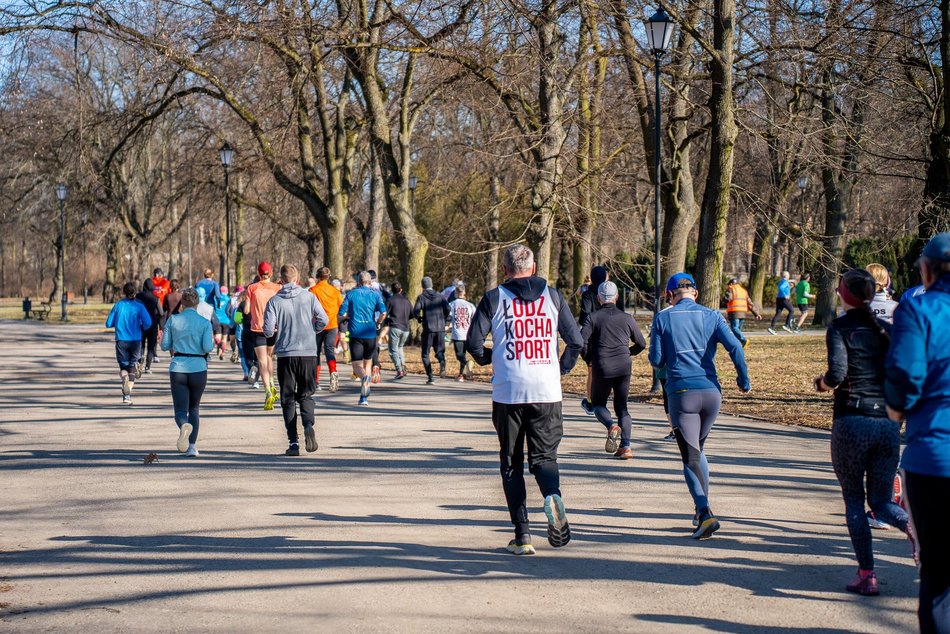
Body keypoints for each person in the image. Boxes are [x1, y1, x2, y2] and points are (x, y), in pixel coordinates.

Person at [466, 244, 583, 556]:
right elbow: (576, 340)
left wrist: (491, 358)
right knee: (544, 459)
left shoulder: (495, 298)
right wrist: (560, 368)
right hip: (546, 389)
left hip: (509, 391)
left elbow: (473, 342)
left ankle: (523, 535)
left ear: (505, 271)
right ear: (533, 269)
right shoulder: (554, 297)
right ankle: (552, 495)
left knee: (511, 463)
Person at [814, 269, 913, 596]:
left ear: (843, 295)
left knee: (855, 501)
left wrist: (823, 384)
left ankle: (867, 574)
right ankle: (915, 531)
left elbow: (838, 373)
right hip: (886, 424)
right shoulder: (888, 330)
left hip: (852, 422)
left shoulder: (840, 328)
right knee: (882, 501)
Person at [648, 273, 750, 539]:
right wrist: (743, 379)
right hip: (712, 393)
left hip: (682, 393)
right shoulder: (713, 315)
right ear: (695, 292)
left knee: (690, 456)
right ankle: (699, 509)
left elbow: (657, 360)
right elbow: (736, 348)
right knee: (698, 450)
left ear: (670, 295)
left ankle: (705, 513)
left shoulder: (663, 317)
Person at [885, 232, 950, 632]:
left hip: (935, 458)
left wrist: (895, 409)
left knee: (938, 574)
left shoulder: (917, 308)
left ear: (927, 269)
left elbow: (906, 376)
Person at [263, 264, 329, 456]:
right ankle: (308, 424)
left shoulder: (274, 301)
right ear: (297, 277)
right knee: (306, 395)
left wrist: (277, 330)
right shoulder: (309, 297)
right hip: (308, 352)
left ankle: (293, 442)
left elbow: (268, 330)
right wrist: (312, 330)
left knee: (288, 398)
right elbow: (323, 319)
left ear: (280, 279)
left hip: (286, 354)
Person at [580, 281, 647, 460]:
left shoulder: (593, 318)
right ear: (617, 297)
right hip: (624, 365)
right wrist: (628, 353)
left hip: (602, 365)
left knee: (598, 404)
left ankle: (610, 425)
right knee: (622, 408)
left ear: (599, 298)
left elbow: (581, 342)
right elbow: (641, 343)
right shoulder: (627, 318)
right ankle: (626, 447)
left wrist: (589, 359)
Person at [160, 287, 213, 457]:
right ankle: (192, 446)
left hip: (178, 368)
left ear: (182, 303)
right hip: (199, 367)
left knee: (181, 411)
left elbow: (164, 346)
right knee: (195, 408)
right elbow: (207, 347)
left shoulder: (173, 320)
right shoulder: (205, 323)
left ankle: (183, 425)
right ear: (197, 303)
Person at [338, 271, 386, 406]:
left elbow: (341, 313)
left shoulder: (351, 294)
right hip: (371, 333)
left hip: (355, 334)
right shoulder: (375, 294)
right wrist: (378, 323)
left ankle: (365, 378)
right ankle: (364, 398)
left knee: (356, 365)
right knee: (368, 363)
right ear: (369, 282)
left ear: (358, 282)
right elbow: (383, 312)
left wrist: (347, 317)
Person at [105, 282, 152, 405]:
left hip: (121, 340)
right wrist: (141, 326)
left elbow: (108, 323)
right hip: (136, 341)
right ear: (135, 293)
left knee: (123, 367)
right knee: (132, 367)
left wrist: (118, 323)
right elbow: (148, 322)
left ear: (123, 293)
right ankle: (127, 394)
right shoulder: (139, 307)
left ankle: (125, 388)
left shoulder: (118, 305)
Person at [246, 263, 282, 410]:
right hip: (273, 328)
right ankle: (273, 383)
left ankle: (267, 391)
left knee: (261, 361)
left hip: (257, 328)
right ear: (271, 273)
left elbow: (247, 310)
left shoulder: (252, 288)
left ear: (258, 273)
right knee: (269, 356)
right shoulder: (277, 288)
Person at [578, 265, 609, 415]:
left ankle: (591, 402)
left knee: (591, 370)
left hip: (592, 336)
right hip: (609, 334)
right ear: (605, 277)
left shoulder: (588, 294)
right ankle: (603, 401)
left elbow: (584, 316)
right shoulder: (611, 293)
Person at [309, 267, 344, 392]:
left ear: (318, 276)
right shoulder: (335, 291)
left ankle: (315, 381)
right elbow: (341, 305)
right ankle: (333, 373)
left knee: (316, 353)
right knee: (330, 352)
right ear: (328, 277)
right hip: (332, 325)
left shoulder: (313, 290)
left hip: (317, 325)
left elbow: (308, 307)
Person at [413, 276, 450, 384]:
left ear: (422, 286)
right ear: (432, 284)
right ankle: (442, 362)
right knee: (439, 351)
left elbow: (415, 311)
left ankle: (430, 377)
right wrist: (444, 319)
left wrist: (419, 318)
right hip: (440, 328)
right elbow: (448, 309)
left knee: (425, 354)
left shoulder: (421, 297)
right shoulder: (440, 296)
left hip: (428, 329)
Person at [379, 281, 413, 379]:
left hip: (395, 327)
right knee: (400, 348)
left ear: (392, 290)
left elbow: (385, 313)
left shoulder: (390, 300)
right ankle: (403, 366)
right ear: (401, 290)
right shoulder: (407, 300)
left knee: (393, 350)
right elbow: (412, 315)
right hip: (406, 329)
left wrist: (384, 323)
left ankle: (399, 370)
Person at [448, 283, 477, 381]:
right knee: (463, 353)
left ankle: (467, 362)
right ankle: (461, 374)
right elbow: (475, 318)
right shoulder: (470, 305)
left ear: (456, 293)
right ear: (464, 293)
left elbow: (448, 316)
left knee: (459, 355)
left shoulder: (452, 304)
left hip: (457, 333)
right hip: (467, 333)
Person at [136, 279, 164, 375]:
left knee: (141, 345)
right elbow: (161, 313)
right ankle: (148, 366)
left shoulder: (138, 297)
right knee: (151, 346)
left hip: (140, 324)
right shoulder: (155, 298)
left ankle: (139, 363)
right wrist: (160, 324)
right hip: (152, 324)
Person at [724, 278, 760, 348]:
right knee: (738, 330)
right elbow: (749, 303)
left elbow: (728, 298)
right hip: (743, 312)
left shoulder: (731, 289)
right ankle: (739, 345)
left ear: (731, 284)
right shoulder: (744, 291)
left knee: (734, 328)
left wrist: (723, 299)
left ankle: (744, 340)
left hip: (734, 312)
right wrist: (756, 314)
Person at [213, 285, 235, 361]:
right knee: (224, 338)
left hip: (217, 320)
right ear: (227, 291)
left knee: (217, 337)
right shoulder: (228, 299)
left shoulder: (216, 298)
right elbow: (229, 310)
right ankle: (222, 352)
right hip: (226, 321)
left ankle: (219, 346)